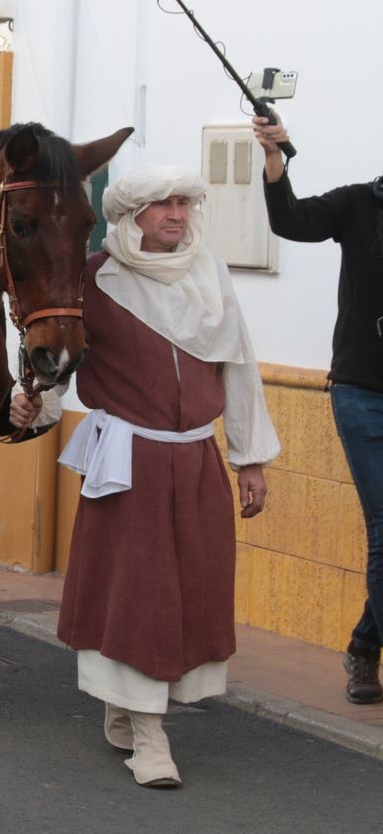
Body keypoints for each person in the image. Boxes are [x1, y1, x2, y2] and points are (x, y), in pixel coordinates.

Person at [45, 165, 279, 788]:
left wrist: (248, 456)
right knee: (137, 595)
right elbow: (55, 353)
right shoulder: (95, 279)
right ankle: (150, 736)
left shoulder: (209, 270)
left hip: (195, 458)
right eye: (161, 204)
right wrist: (33, 406)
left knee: (190, 592)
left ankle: (126, 706)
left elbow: (240, 363)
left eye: (183, 202)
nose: (176, 214)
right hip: (128, 459)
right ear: (131, 213)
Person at [255, 115, 383, 705]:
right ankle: (366, 655)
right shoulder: (359, 205)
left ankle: (362, 645)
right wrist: (276, 159)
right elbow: (290, 220)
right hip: (362, 392)